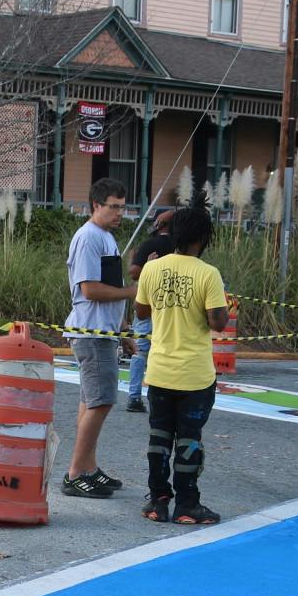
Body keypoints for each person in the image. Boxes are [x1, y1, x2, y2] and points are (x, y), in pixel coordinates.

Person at [133, 203, 232, 526]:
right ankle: (188, 504)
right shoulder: (208, 274)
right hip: (194, 375)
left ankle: (157, 501)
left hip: (160, 371)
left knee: (159, 437)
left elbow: (141, 313)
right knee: (189, 439)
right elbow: (217, 322)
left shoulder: (152, 269)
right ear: (202, 238)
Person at [61, 178, 135, 499]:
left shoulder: (106, 238)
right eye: (113, 206)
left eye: (122, 206)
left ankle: (88, 467)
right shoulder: (88, 238)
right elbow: (89, 288)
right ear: (96, 206)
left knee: (91, 401)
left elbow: (111, 288)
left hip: (104, 331)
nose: (120, 212)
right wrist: (135, 291)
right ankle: (76, 472)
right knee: (101, 401)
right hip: (91, 332)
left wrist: (124, 329)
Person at [125, 208, 175, 413]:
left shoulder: (149, 245)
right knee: (169, 351)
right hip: (172, 307)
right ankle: (165, 397)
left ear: (159, 225)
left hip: (147, 304)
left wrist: (134, 260)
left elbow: (134, 273)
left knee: (140, 351)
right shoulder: (181, 247)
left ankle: (134, 396)